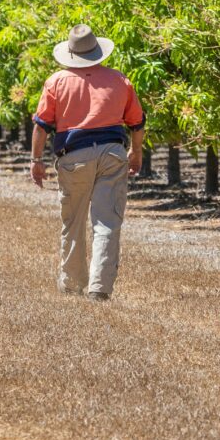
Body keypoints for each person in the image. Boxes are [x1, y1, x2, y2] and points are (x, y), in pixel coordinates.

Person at [29, 24, 145, 301]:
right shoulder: (119, 80)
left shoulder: (56, 81)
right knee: (107, 222)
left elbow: (41, 126)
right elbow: (137, 123)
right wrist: (136, 152)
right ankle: (99, 288)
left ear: (70, 53)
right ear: (98, 52)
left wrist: (36, 160)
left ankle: (71, 282)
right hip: (112, 153)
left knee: (74, 221)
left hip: (74, 157)